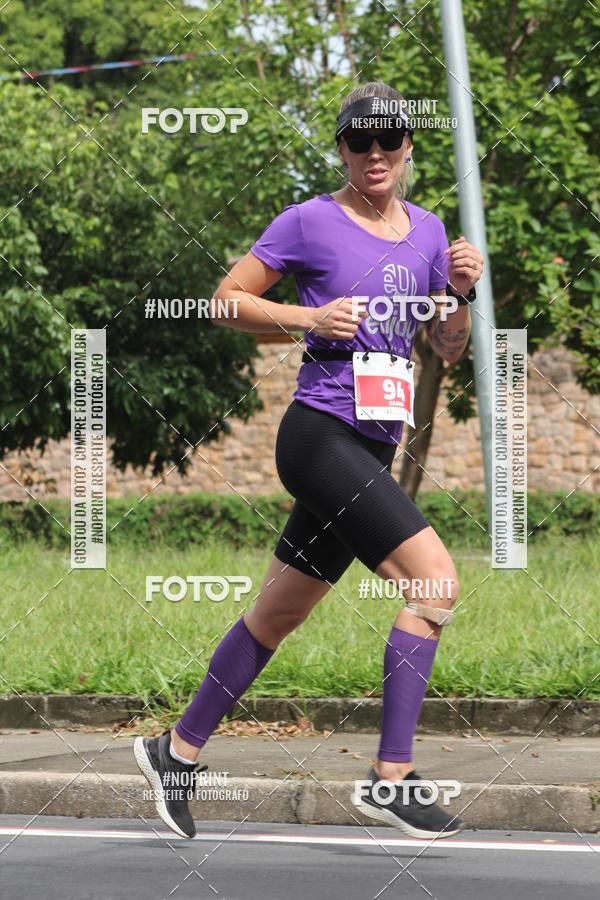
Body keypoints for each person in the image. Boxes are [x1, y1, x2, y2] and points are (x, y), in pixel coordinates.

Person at [134, 81, 483, 840]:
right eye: (360, 142)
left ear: (408, 146)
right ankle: (391, 778)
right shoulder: (309, 222)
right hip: (319, 438)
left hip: (370, 448)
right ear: (342, 150)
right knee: (434, 585)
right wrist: (307, 316)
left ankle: (177, 750)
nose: (376, 154)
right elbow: (226, 300)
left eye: (389, 139)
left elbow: (443, 349)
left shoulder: (428, 231)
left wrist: (457, 294)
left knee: (276, 615)